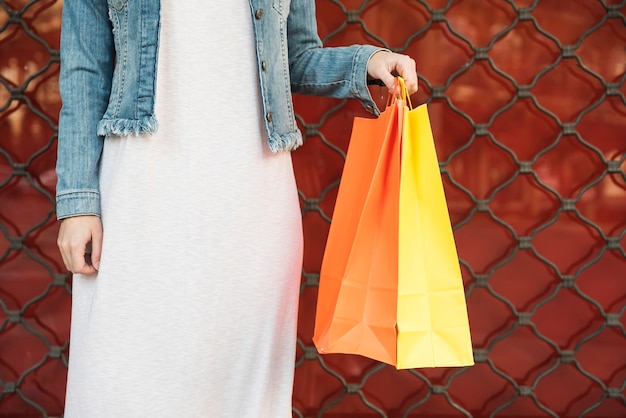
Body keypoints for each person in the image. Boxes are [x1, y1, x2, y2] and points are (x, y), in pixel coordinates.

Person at [56, 1, 417, 417]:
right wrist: (78, 201)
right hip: (141, 198)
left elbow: (296, 58)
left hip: (253, 205)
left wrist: (368, 61)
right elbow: (85, 70)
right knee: (122, 385)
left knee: (240, 398)